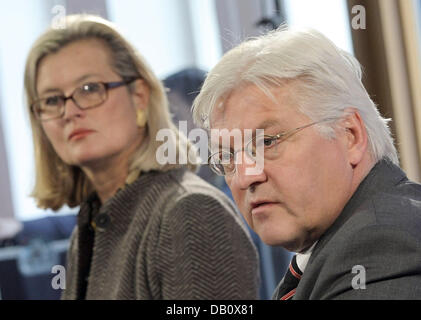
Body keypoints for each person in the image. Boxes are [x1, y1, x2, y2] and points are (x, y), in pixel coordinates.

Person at [23, 14, 259, 299]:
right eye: (51, 100)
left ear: (139, 96)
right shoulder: (89, 228)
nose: (69, 111)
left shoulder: (189, 211)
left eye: (89, 89)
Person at [192, 27, 421, 299]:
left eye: (267, 142)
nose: (244, 178)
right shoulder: (335, 246)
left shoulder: (381, 242)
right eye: (228, 157)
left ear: (350, 136)